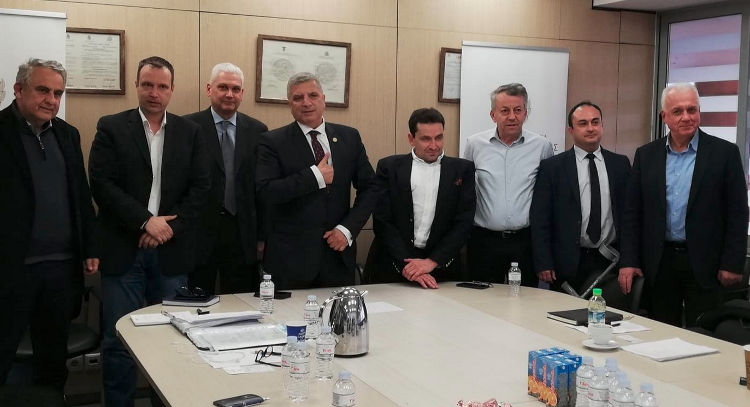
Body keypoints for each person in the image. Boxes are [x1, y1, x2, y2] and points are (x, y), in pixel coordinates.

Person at [89, 56, 210, 406]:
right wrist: (145, 221)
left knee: (172, 338)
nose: (154, 93)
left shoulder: (190, 132)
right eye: (147, 85)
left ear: (172, 90)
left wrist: (167, 228)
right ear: (137, 86)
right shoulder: (112, 127)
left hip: (171, 253)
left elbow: (201, 188)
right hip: (123, 250)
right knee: (119, 340)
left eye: (161, 86)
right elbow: (102, 184)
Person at [0, 58, 98, 396]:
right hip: (11, 270)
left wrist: (90, 247)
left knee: (53, 362)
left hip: (60, 271)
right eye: (43, 90)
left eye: (58, 93)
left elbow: (81, 196)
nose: (51, 100)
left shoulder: (68, 135)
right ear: (18, 90)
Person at [618, 83, 748, 327]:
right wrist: (629, 260)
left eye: (692, 109)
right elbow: (632, 214)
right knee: (660, 331)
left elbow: (738, 213)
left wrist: (732, 263)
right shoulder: (646, 155)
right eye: (677, 111)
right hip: (660, 262)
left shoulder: (725, 153)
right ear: (664, 116)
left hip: (707, 264)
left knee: (704, 332)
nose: (686, 117)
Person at [256, 72, 377, 289]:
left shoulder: (349, 137)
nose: (306, 103)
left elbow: (370, 189)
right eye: (298, 98)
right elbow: (266, 191)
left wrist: (347, 230)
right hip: (290, 261)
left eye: (313, 95)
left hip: (338, 255)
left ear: (323, 99)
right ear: (289, 103)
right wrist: (314, 177)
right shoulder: (272, 141)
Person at [184, 62, 268, 295]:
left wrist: (262, 236)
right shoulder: (187, 127)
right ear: (209, 89)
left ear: (242, 93)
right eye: (223, 87)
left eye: (236, 89)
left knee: (241, 302)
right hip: (198, 233)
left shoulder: (258, 131)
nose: (230, 94)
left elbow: (261, 189)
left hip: (242, 234)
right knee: (196, 301)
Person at [530, 101, 631, 293]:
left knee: (605, 310)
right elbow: (541, 218)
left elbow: (629, 217)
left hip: (610, 260)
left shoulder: (620, 165)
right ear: (571, 130)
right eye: (583, 123)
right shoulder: (552, 168)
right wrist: (544, 261)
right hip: (566, 263)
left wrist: (629, 260)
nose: (590, 128)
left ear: (602, 125)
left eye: (595, 122)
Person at [371, 108, 476, 288]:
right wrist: (410, 266)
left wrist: (432, 262)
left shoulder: (462, 170)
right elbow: (382, 220)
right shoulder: (389, 167)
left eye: (439, 138)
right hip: (393, 265)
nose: (434, 145)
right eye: (426, 139)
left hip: (441, 268)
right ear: (411, 139)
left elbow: (464, 222)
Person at [462, 83, 553, 287]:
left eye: (518, 110)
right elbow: (466, 191)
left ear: (525, 113)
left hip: (525, 241)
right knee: (482, 300)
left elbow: (547, 196)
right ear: (493, 115)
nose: (512, 116)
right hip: (484, 241)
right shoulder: (474, 144)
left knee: (525, 299)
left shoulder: (542, 146)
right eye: (504, 111)